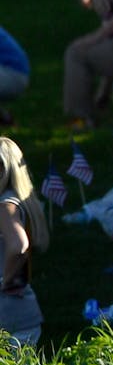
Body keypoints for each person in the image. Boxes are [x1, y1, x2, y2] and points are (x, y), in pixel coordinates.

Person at [0, 137, 46, 344]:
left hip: (8, 318)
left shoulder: (5, 206)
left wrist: (4, 282)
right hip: (23, 312)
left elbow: (18, 246)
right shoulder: (20, 200)